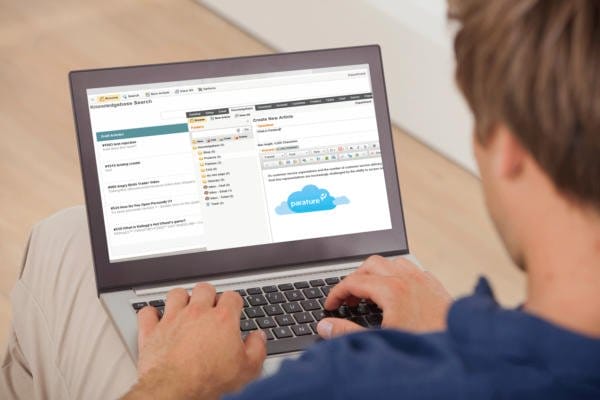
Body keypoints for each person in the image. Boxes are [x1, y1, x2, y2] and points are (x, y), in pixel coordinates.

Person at [2, 0, 600, 398]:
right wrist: (455, 329)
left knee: (67, 239)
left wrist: (179, 381)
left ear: (509, 149)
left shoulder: (345, 381)